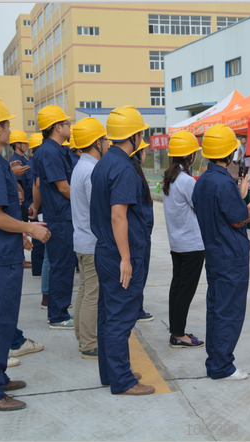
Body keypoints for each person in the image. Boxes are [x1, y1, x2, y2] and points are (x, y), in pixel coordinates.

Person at [0, 97, 51, 411]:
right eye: (7, 123)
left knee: (2, 324)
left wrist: (20, 233)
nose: (10, 128)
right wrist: (30, 228)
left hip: (0, 253)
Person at [192, 124, 250, 381]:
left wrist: (239, 195)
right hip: (231, 255)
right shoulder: (223, 182)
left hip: (214, 253)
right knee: (229, 312)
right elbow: (239, 218)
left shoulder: (203, 180)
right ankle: (222, 366)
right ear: (230, 154)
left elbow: (218, 212)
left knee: (216, 309)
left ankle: (215, 361)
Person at [90, 105, 155, 395]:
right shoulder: (124, 167)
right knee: (120, 318)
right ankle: (123, 380)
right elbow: (118, 216)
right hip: (120, 253)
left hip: (105, 250)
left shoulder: (104, 162)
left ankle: (112, 372)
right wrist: (126, 259)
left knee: (108, 315)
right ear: (135, 135)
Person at [28, 105, 75, 330]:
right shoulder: (50, 152)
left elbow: (39, 185)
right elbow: (64, 188)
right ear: (57, 127)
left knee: (61, 264)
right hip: (60, 216)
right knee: (62, 265)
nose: (69, 127)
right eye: (67, 123)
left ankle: (58, 311)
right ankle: (58, 315)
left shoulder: (51, 150)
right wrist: (88, 203)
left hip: (59, 214)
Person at [70, 118, 109, 359]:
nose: (107, 143)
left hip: (81, 240)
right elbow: (99, 208)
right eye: (105, 139)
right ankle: (88, 343)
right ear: (96, 142)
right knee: (92, 295)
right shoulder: (92, 170)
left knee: (84, 291)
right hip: (92, 242)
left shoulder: (80, 166)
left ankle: (82, 338)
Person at [163, 130, 205, 348]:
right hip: (192, 245)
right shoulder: (187, 180)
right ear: (191, 156)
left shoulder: (170, 178)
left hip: (178, 243)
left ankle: (176, 330)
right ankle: (178, 334)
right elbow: (201, 208)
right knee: (185, 291)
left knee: (177, 287)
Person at [130, 139, 155, 323]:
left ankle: (136, 308)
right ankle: (136, 309)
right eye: (144, 151)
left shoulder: (133, 172)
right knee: (139, 273)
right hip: (140, 235)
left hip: (140, 233)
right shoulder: (135, 176)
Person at [9, 130, 32, 269]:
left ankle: (22, 259)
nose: (27, 145)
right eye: (24, 143)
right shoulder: (16, 161)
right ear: (17, 144)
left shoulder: (23, 159)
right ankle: (21, 259)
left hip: (26, 201)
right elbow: (16, 182)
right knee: (20, 231)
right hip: (22, 203)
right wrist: (22, 196)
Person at [26, 133, 45, 280]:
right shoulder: (35, 163)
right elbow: (36, 186)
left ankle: (38, 270)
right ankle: (37, 271)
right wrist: (36, 206)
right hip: (35, 205)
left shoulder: (32, 162)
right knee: (38, 240)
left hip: (34, 203)